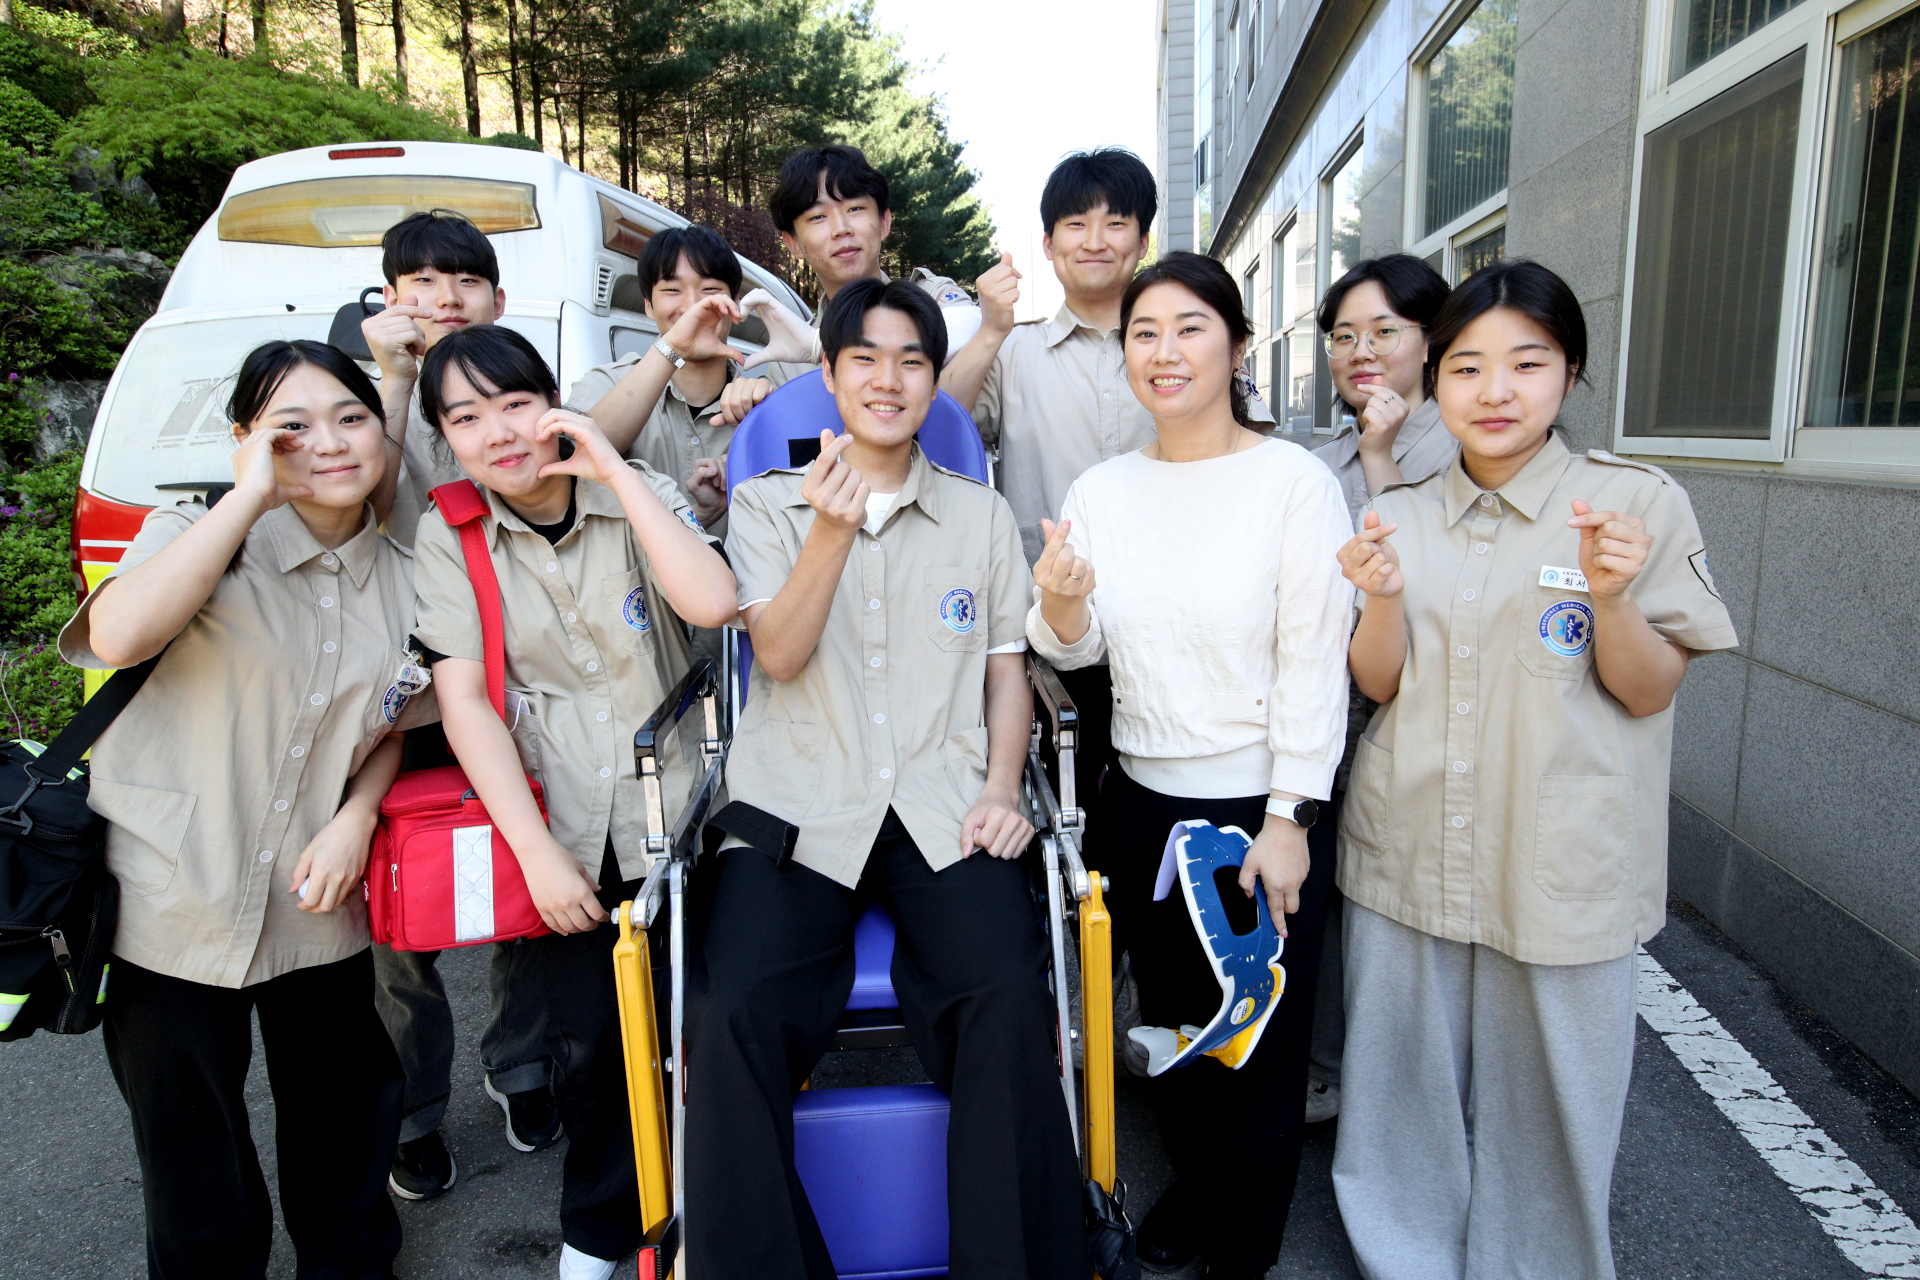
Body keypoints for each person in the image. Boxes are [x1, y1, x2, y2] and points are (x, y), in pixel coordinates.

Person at [1331, 259, 1738, 1280]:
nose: (1496, 391)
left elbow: (1649, 690)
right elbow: (1378, 682)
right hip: (1409, 841)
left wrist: (1613, 597)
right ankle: (1407, 1260)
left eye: (1528, 362)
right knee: (1399, 1092)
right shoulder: (1403, 512)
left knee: (1556, 1104)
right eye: (1467, 367)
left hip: (1561, 856)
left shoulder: (1632, 503)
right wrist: (1382, 597)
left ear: (1570, 372)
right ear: (1434, 378)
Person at [687, 277, 1084, 1279]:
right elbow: (777, 656)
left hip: (943, 795)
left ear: (933, 381)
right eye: (864, 357)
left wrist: (1002, 787)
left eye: (911, 360)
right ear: (829, 374)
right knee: (731, 1011)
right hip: (798, 799)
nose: (888, 378)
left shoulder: (979, 516)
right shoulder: (769, 505)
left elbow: (1005, 670)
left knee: (1005, 991)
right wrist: (829, 531)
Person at [58, 339, 426, 1280]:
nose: (330, 444)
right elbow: (120, 634)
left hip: (317, 893)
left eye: (351, 419)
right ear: (246, 440)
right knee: (193, 1151)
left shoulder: (409, 573)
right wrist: (248, 498)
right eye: (292, 427)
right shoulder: (193, 532)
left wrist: (357, 816)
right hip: (169, 894)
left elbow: (392, 724)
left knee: (343, 1125)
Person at [1026, 251, 1353, 1279]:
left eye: (1190, 328)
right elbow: (1079, 647)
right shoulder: (1103, 488)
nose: (1164, 352)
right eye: (1144, 333)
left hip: (1259, 806)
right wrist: (1062, 604)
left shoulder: (1293, 482)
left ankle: (1244, 1247)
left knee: (1258, 1043)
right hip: (1142, 801)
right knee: (1174, 1027)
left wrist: (1292, 816)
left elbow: (1314, 659)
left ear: (1238, 345)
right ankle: (1199, 1189)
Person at [409, 313, 739, 1280]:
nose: (499, 432)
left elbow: (713, 604)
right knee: (592, 1044)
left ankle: (726, 1209)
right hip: (568, 824)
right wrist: (538, 856)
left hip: (698, 810)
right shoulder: (449, 531)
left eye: (516, 403)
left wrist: (615, 471)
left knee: (717, 1026)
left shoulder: (629, 490)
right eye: (467, 418)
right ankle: (600, 1231)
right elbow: (465, 703)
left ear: (555, 404)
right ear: (445, 437)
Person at [358, 207, 583, 1198]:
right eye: (422, 280)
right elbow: (368, 501)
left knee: (526, 879)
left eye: (465, 279)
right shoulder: (361, 399)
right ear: (388, 296)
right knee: (398, 905)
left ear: (497, 296)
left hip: (511, 687)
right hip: (393, 697)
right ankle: (410, 1106)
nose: (444, 297)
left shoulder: (520, 396)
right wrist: (393, 381)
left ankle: (521, 1064)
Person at [1302, 253, 1456, 1125]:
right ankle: (1331, 1071)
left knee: (1408, 916)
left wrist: (1380, 454)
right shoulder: (1318, 459)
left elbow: (1423, 580)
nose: (1360, 351)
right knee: (1337, 896)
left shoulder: (1468, 445)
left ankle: (1405, 1101)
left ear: (1432, 341)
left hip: (1429, 719)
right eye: (1343, 336)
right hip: (1342, 713)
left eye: (1384, 332)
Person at [709, 144, 987, 427]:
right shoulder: (790, 361)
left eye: (855, 208)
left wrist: (819, 346)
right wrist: (750, 402)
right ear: (793, 242)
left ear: (884, 222)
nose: (841, 228)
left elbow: (974, 322)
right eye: (818, 217)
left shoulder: (930, 293)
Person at [563, 224, 748, 538]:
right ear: (648, 305)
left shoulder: (760, 403)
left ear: (735, 303)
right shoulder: (605, 385)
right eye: (672, 290)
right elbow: (573, 456)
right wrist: (673, 348)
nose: (694, 306)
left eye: (709, 289)